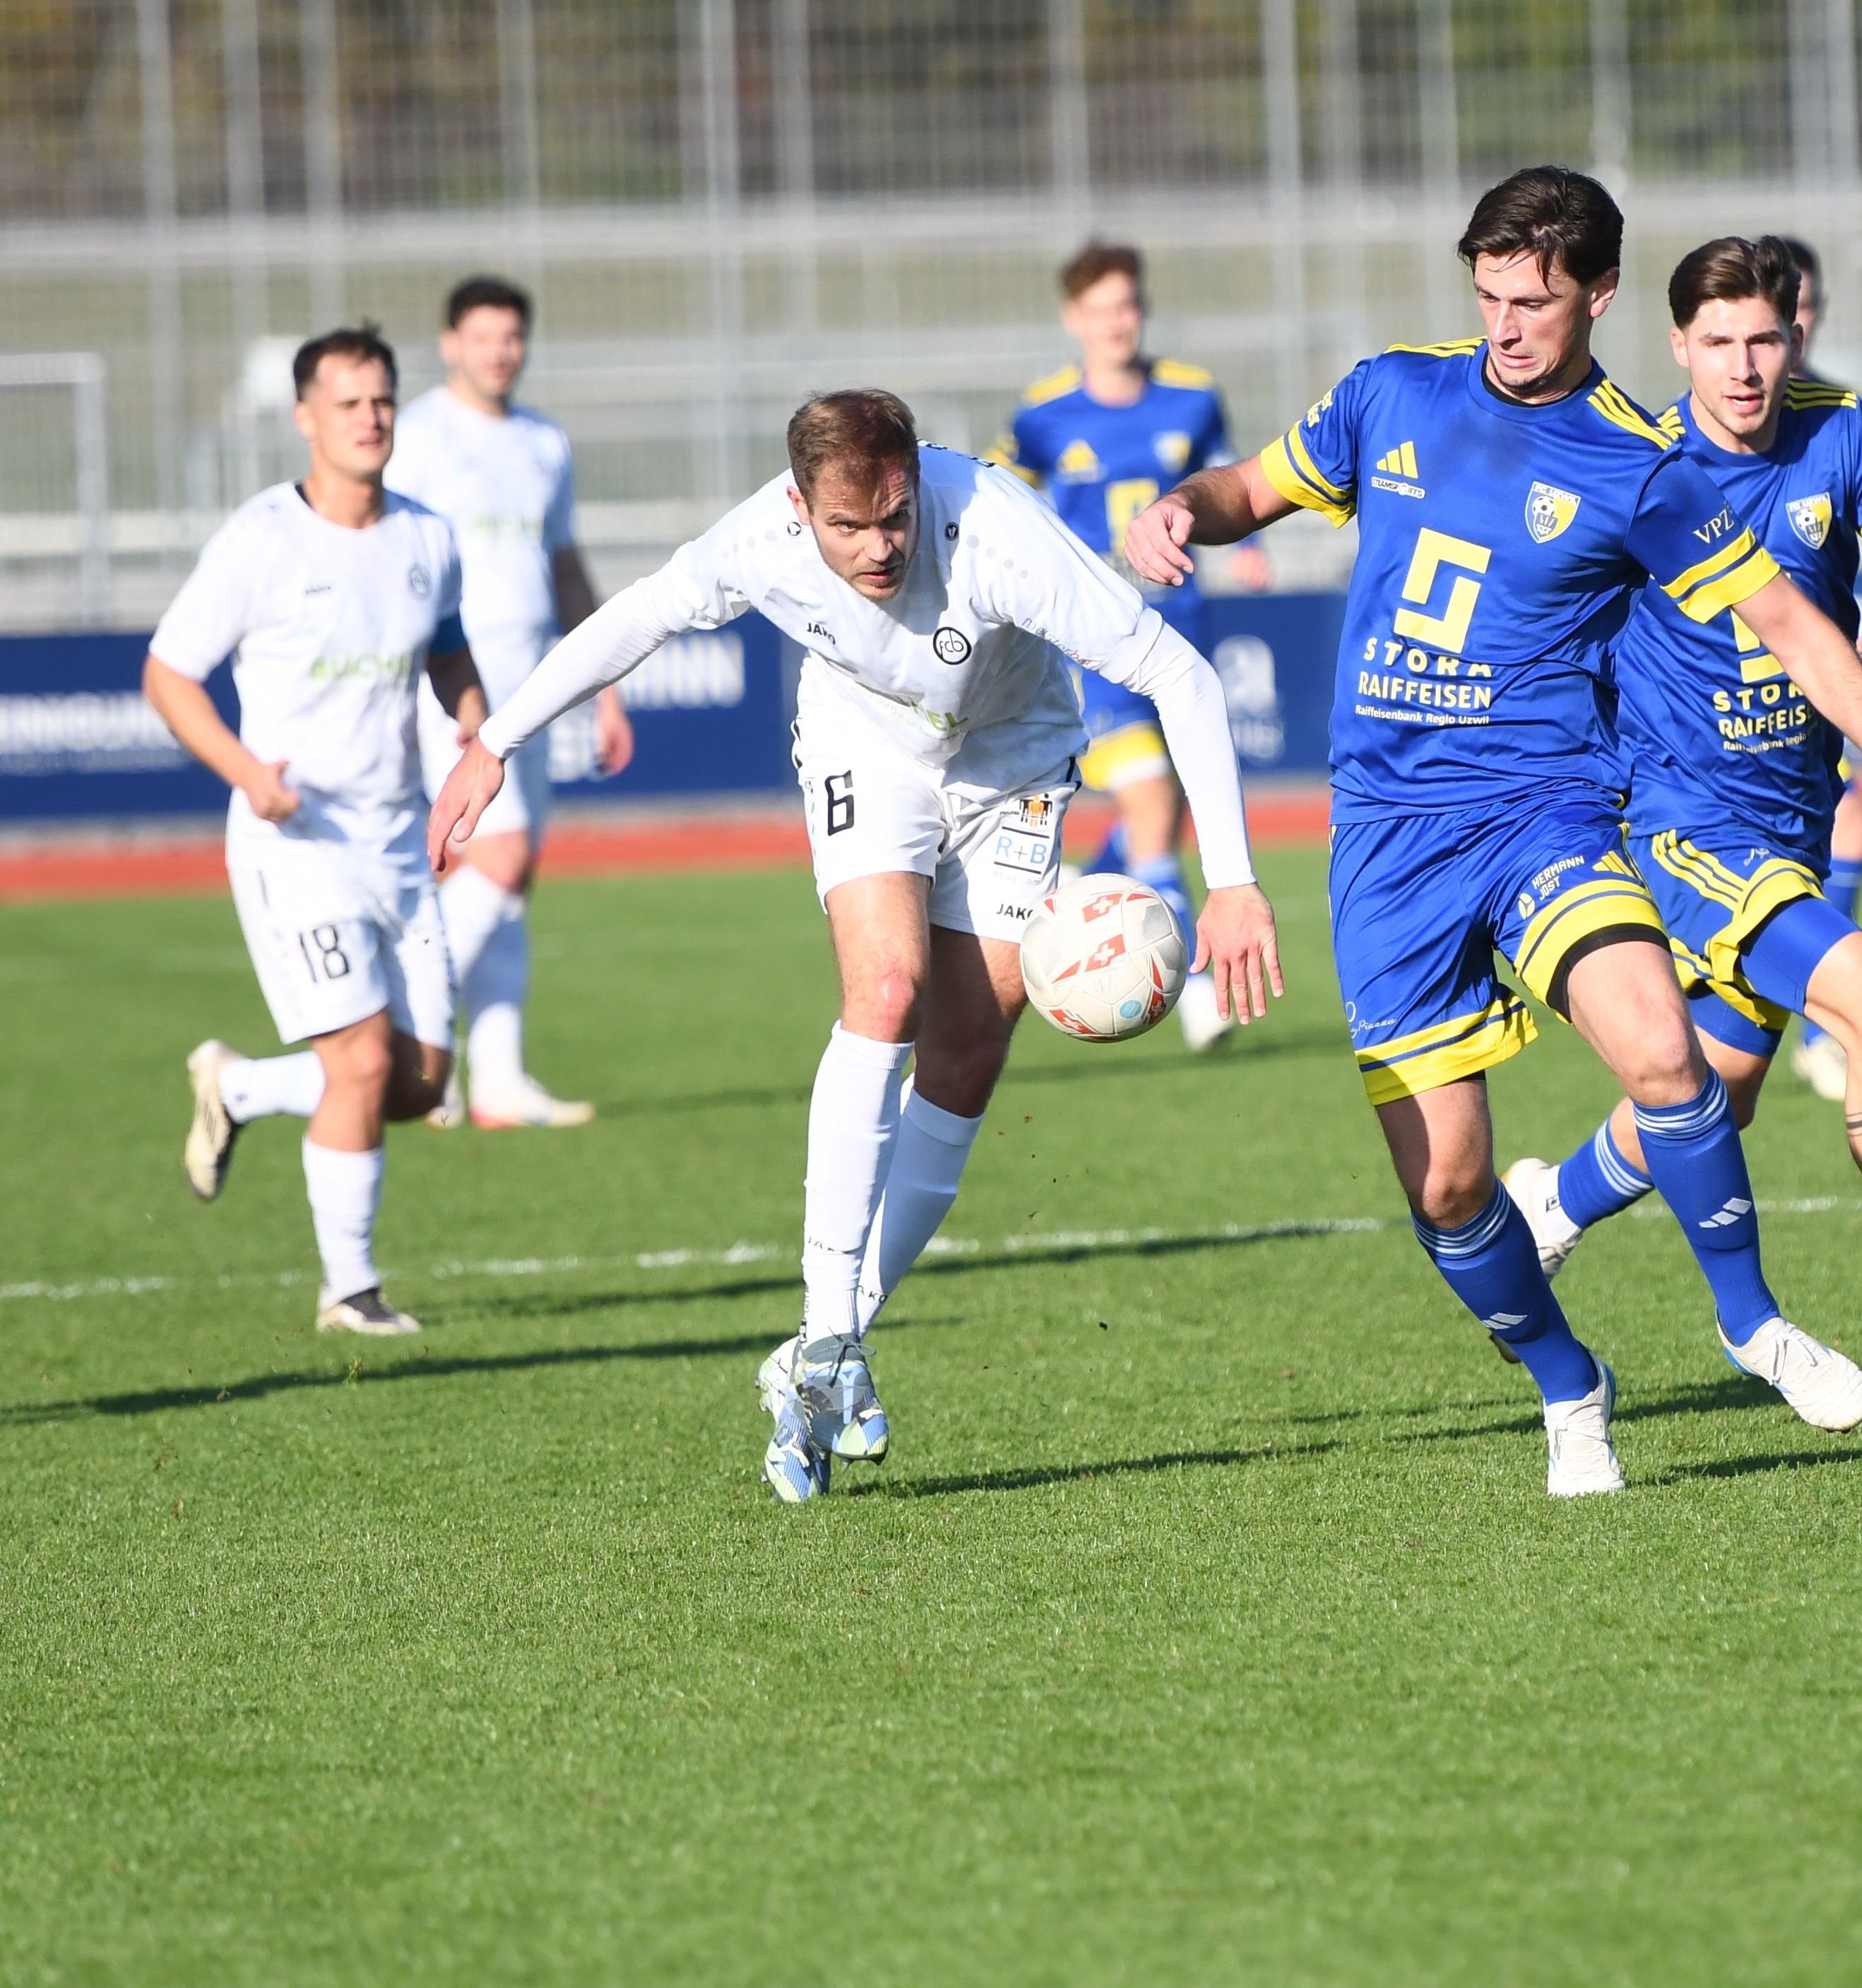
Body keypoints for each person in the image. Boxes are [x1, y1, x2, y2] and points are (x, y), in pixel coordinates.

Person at [1129, 169, 1862, 1494]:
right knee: (1445, 1191)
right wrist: (1176, 513)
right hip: (1385, 842)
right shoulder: (1389, 393)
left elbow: (1798, 629)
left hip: (1546, 812)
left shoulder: (1640, 468)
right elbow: (1246, 489)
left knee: (1667, 1054)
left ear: (1598, 297)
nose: (1503, 326)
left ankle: (1751, 1324)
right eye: (1486, 296)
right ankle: (1568, 1382)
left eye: (1533, 302)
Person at [429, 390, 1280, 1501]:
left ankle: (815, 1353)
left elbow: (1182, 674)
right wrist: (495, 743)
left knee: (967, 1057)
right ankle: (832, 1338)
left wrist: (1234, 882)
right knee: (886, 985)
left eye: (894, 518)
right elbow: (635, 616)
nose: (879, 547)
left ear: (915, 486)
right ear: (800, 507)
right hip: (864, 745)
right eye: (850, 526)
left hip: (1014, 760)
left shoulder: (997, 528)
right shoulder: (760, 538)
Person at [1506, 236, 1862, 1391]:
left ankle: (1546, 1206)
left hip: (1794, 820)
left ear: (1796, 333)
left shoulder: (1842, 430)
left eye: (1765, 337)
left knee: (1715, 1094)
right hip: (1676, 822)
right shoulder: (1630, 463)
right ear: (1678, 347)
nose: (1744, 366)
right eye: (1717, 342)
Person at [152, 326, 485, 1337]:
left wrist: (478, 729)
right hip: (294, 846)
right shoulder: (261, 541)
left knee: (422, 1077)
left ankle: (241, 1085)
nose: (371, 419)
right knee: (357, 1063)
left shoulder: (428, 536)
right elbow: (169, 673)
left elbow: (449, 651)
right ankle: (350, 1288)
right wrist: (248, 772)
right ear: (306, 417)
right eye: (348, 404)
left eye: (382, 400)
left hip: (396, 843)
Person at [1000, 241, 1271, 1052]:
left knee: (1167, 813)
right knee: (1152, 800)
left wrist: (1249, 544)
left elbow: (1230, 481)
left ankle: (1087, 880)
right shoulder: (1041, 415)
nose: (1116, 321)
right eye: (1099, 308)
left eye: (1127, 304)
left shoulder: (1190, 398)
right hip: (1092, 648)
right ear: (1072, 319)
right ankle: (1193, 986)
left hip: (1180, 637)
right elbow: (1011, 516)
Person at [387, 274, 631, 1129]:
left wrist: (603, 687)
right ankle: (404, 1034)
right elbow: (388, 555)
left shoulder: (542, 442)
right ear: (451, 342)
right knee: (492, 860)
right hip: (452, 690)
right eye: (483, 336)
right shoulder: (415, 435)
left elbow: (562, 564)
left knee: (513, 879)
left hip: (535, 690)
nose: (499, 351)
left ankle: (492, 1078)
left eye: (512, 336)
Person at [1777, 235, 1862, 1102]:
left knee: (1852, 831)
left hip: (1811, 692)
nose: (1795, 326)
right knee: (1706, 1082)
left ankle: (1815, 1027)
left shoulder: (1847, 417)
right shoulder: (1681, 431)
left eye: (1808, 312)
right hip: (1716, 712)